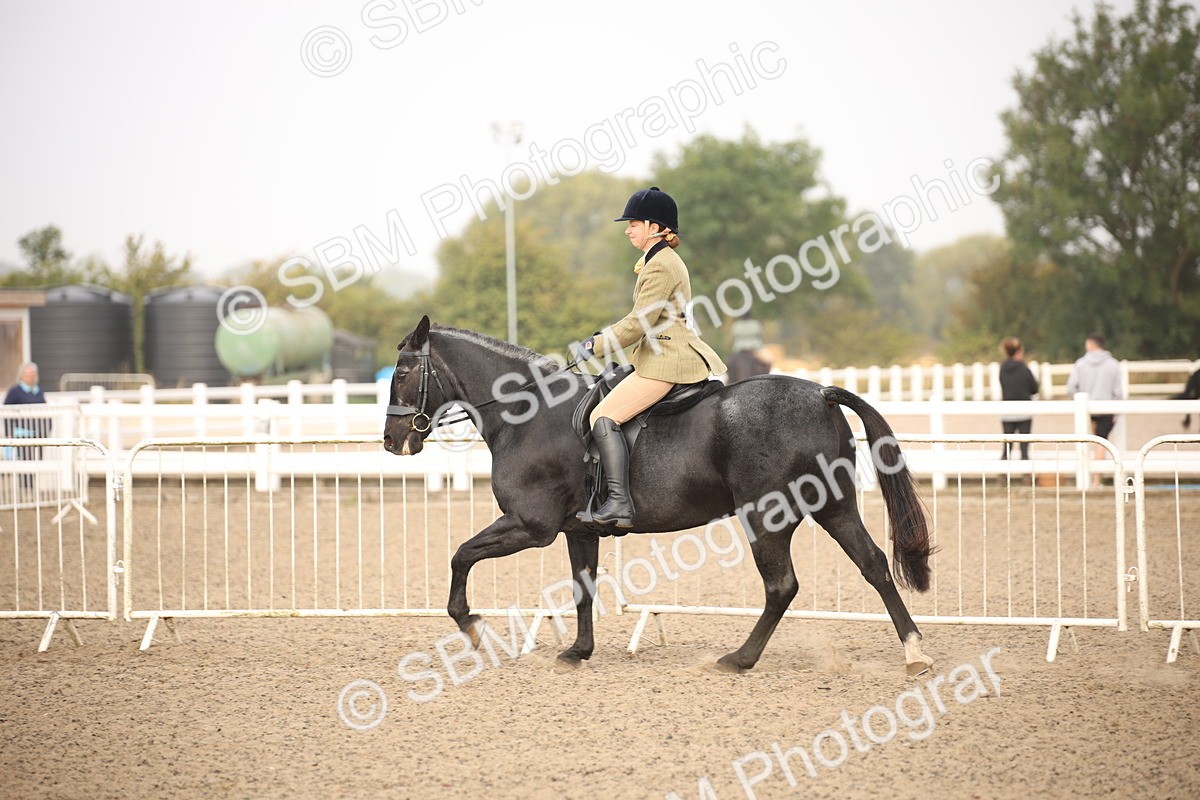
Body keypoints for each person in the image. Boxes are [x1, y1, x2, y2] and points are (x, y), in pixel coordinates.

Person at [577, 187, 727, 528]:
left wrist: (595, 345)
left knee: (603, 417)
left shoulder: (661, 265)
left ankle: (618, 504)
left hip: (667, 360)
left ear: (655, 226)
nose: (628, 229)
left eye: (634, 223)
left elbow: (637, 323)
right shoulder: (655, 261)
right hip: (657, 354)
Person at [1066, 332, 1123, 440]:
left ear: (1089, 344)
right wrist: (1117, 410)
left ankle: (1097, 457)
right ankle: (1099, 457)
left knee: (1097, 439)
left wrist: (1077, 400)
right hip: (1107, 408)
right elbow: (1118, 391)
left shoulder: (1080, 364)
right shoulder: (1113, 364)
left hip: (1087, 407)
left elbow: (1071, 386)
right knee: (1101, 440)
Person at [4, 362, 49, 487]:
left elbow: (46, 411)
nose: (31, 377)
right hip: (21, 434)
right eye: (28, 374)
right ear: (21, 375)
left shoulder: (39, 391)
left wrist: (46, 429)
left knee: (36, 463)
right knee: (24, 464)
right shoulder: (14, 391)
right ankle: (24, 488)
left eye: (33, 374)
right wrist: (8, 433)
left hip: (38, 434)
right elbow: (6, 413)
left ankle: (32, 488)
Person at [998, 337, 1039, 460]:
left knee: (1007, 445)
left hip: (1007, 411)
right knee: (1024, 446)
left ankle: (1003, 473)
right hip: (1024, 411)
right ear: (1018, 351)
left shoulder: (1003, 369)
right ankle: (1026, 475)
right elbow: (1034, 388)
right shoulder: (1024, 369)